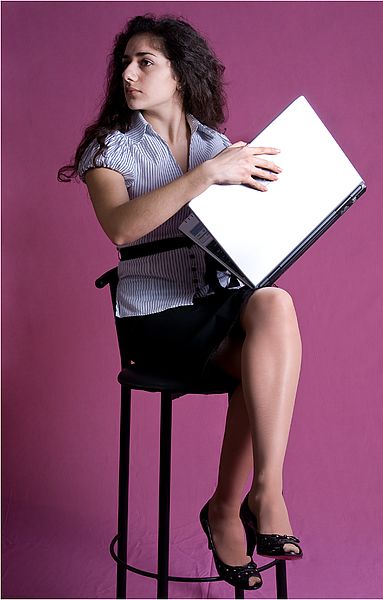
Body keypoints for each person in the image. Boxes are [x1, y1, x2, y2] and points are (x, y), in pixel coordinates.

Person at [58, 14, 303, 591]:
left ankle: (256, 494)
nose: (129, 73)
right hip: (154, 317)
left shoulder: (218, 145)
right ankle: (233, 510)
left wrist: (281, 208)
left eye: (146, 62)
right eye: (125, 62)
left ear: (181, 74)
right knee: (258, 358)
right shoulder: (109, 148)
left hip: (219, 298)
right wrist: (207, 177)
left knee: (274, 303)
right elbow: (120, 228)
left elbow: (244, 236)